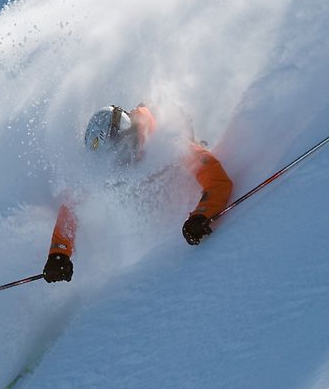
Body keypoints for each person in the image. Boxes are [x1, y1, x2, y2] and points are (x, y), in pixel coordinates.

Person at [43, 103, 233, 283]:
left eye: (119, 155)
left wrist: (202, 215)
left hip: (184, 244)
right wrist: (59, 253)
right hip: (152, 256)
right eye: (111, 161)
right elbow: (72, 208)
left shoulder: (167, 143)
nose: (117, 165)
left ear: (127, 138)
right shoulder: (111, 169)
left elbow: (218, 182)